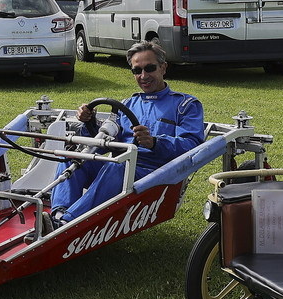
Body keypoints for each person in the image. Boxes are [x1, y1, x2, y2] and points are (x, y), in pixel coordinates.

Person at [50, 41, 205, 220]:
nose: (143, 75)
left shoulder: (185, 105)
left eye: (150, 68)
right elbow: (105, 143)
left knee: (118, 167)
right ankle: (58, 214)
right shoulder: (127, 104)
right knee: (71, 158)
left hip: (155, 176)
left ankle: (67, 222)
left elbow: (193, 147)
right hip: (120, 168)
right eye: (137, 71)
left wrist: (155, 142)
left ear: (163, 68)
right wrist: (89, 121)